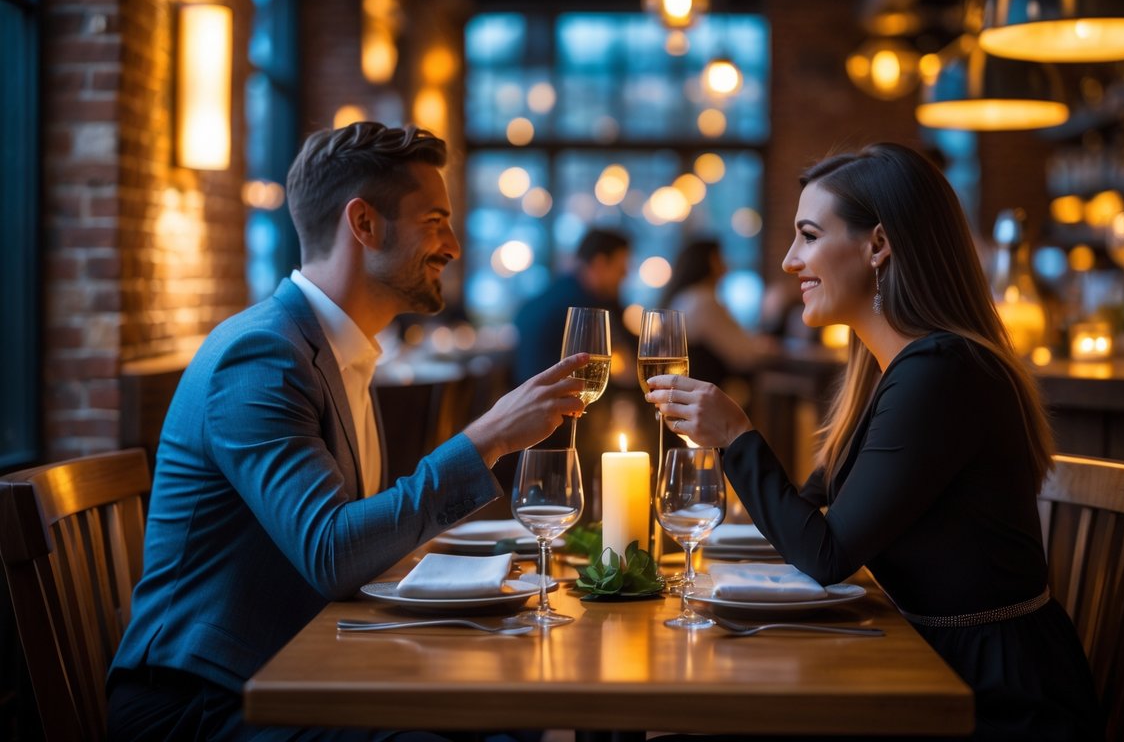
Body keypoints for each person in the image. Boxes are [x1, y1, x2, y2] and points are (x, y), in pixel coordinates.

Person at [107, 122, 588, 741]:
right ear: (363, 225)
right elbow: (332, 554)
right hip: (203, 702)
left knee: (515, 718)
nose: (453, 245)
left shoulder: (334, 352)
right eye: (434, 221)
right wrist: (489, 436)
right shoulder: (261, 356)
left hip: (293, 667)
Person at [644, 143, 1104, 741]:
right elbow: (808, 520)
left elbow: (828, 555)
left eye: (808, 236)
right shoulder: (890, 372)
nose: (788, 261)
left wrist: (735, 435)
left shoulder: (942, 372)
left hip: (993, 700)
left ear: (878, 245)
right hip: (928, 663)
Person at [510, 227, 632, 387]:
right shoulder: (584, 310)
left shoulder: (548, 297)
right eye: (620, 269)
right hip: (558, 404)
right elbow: (621, 372)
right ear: (600, 263)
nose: (625, 276)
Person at [658, 237, 774, 387]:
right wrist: (768, 348)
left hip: (689, 393)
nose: (726, 266)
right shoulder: (703, 302)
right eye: (721, 258)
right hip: (706, 394)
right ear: (710, 262)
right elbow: (741, 354)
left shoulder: (685, 298)